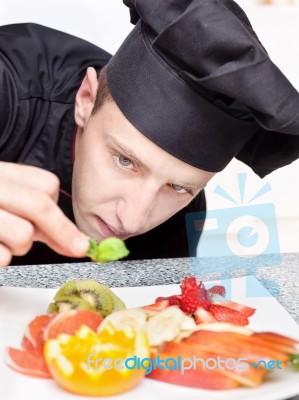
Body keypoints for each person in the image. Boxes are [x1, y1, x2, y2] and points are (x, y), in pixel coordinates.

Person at [0, 0, 298, 267]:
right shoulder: (9, 91)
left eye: (177, 187)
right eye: (124, 161)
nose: (132, 220)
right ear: (86, 100)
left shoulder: (183, 215)